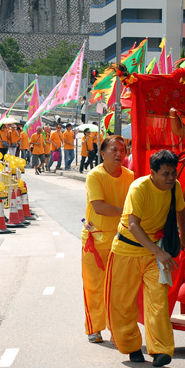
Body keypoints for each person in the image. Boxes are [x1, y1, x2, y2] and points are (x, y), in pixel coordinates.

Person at [105, 150, 185, 368]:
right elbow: (133, 225)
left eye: (174, 173)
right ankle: (131, 346)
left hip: (153, 254)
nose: (171, 178)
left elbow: (180, 210)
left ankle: (160, 350)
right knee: (123, 305)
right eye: (166, 174)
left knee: (159, 301)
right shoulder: (139, 188)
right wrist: (159, 252)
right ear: (152, 173)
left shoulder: (175, 188)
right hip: (126, 251)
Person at [83, 136, 134, 344]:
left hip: (122, 240)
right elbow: (99, 207)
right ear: (102, 153)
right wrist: (129, 212)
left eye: (122, 150)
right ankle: (94, 328)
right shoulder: (94, 176)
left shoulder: (130, 176)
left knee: (119, 288)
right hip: (96, 240)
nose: (119, 154)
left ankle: (117, 329)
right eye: (114, 150)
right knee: (94, 286)